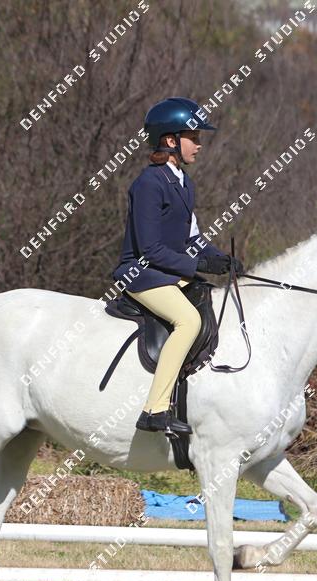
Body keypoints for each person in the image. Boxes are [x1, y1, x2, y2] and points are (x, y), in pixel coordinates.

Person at [112, 97, 237, 434]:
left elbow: (192, 237)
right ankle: (154, 410)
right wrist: (197, 263)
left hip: (168, 273)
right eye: (193, 137)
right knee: (188, 320)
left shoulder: (184, 182)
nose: (199, 144)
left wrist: (220, 258)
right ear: (170, 140)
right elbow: (150, 249)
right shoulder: (148, 184)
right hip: (142, 274)